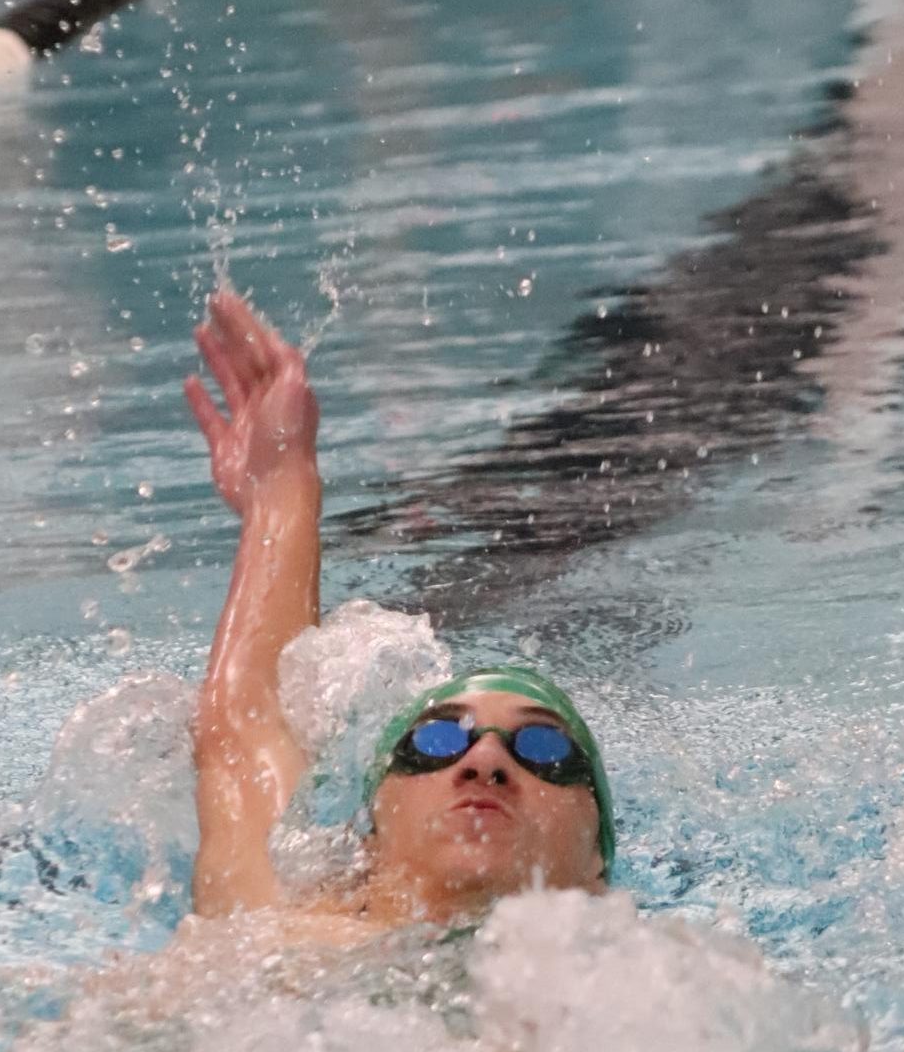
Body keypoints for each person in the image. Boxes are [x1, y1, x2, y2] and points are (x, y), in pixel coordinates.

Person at [181, 290, 615, 939]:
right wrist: (281, 488)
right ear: (369, 838)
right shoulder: (277, 927)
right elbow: (247, 730)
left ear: (596, 863)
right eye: (434, 742)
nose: (486, 761)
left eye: (544, 749)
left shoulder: (650, 985)